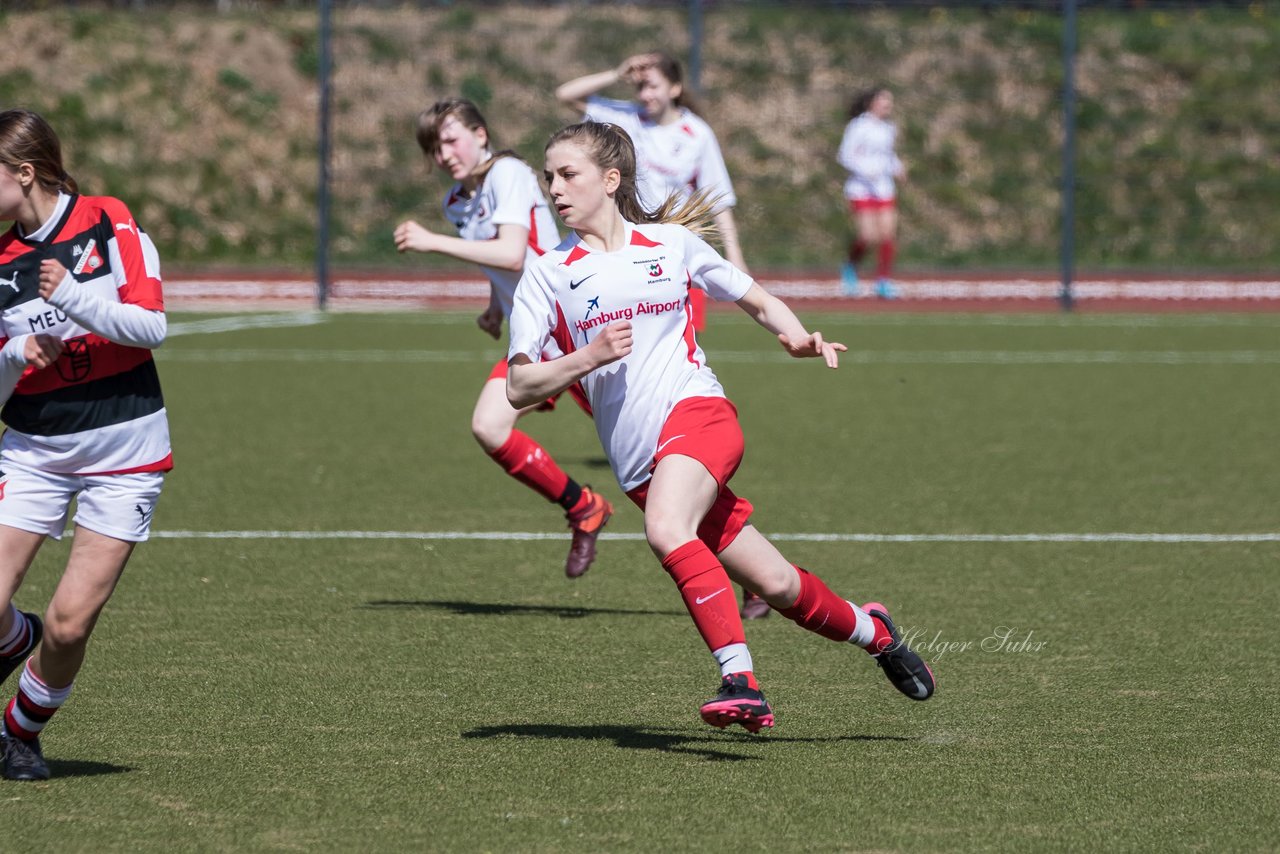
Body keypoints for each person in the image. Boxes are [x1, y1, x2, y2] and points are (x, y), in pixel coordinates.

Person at [506, 121, 935, 733]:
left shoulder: (670, 245)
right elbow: (520, 384)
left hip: (700, 415)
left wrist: (796, 337)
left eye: (567, 174)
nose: (554, 188)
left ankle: (741, 680)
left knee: (665, 528)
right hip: (639, 465)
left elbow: (754, 297)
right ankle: (876, 633)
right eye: (548, 177)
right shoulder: (546, 274)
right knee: (781, 585)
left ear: (610, 178)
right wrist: (585, 358)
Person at [555, 54, 766, 618]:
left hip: (662, 270)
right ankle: (749, 563)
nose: (643, 89)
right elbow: (566, 91)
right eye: (639, 82)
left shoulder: (696, 133)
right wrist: (615, 73)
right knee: (599, 388)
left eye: (652, 80)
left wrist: (735, 264)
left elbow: (718, 201)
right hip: (609, 271)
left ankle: (746, 569)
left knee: (669, 394)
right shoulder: (620, 118)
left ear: (675, 85)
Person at [0, 109, 172, 781]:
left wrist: (73, 297)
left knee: (71, 626)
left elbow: (148, 325)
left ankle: (18, 732)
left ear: (23, 172)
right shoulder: (2, 262)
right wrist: (16, 352)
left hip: (124, 453)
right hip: (35, 450)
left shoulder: (106, 219)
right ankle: (19, 639)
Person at [394, 99, 613, 578]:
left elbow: (514, 253)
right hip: (532, 337)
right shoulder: (457, 200)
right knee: (490, 426)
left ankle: (749, 563)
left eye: (451, 139)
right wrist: (497, 307)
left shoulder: (508, 173)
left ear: (481, 134)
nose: (444, 153)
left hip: (572, 328)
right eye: (434, 147)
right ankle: (583, 508)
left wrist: (432, 242)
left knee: (653, 468)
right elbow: (507, 262)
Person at [838, 86, 906, 299]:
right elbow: (845, 155)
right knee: (867, 236)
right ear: (872, 102)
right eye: (884, 100)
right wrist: (866, 171)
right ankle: (850, 267)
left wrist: (897, 167)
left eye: (890, 101)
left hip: (884, 188)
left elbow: (887, 154)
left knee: (887, 234)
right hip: (861, 188)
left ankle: (883, 281)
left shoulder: (888, 128)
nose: (888, 105)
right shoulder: (858, 126)